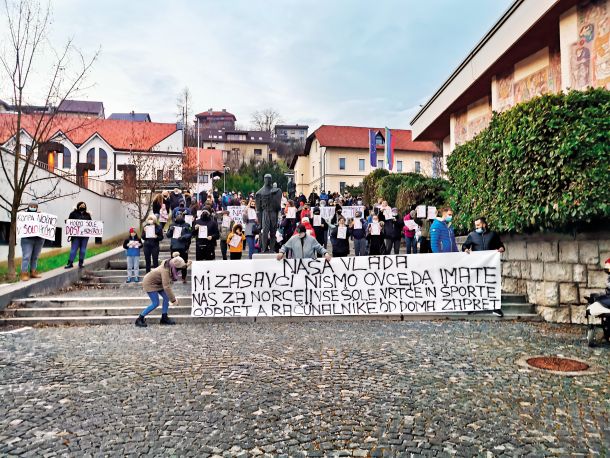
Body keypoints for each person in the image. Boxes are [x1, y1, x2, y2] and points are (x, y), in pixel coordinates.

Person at [135, 252, 190, 327]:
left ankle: (164, 318)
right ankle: (140, 318)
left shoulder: (170, 264)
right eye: (178, 269)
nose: (179, 270)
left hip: (158, 283)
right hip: (149, 283)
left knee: (166, 297)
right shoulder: (165, 270)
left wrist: (187, 265)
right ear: (175, 267)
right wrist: (173, 300)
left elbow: (180, 265)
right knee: (155, 303)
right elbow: (166, 286)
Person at [19, 197, 45, 281]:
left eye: (35, 206)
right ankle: (24, 273)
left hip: (38, 239)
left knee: (35, 257)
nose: (33, 207)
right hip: (27, 240)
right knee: (26, 256)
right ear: (29, 206)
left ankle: (33, 272)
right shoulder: (24, 216)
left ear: (37, 207)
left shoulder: (40, 215)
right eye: (32, 206)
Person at [166, 213, 192, 283]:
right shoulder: (172, 224)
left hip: (183, 247)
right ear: (175, 217)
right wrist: (170, 230)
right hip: (174, 247)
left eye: (180, 215)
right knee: (173, 263)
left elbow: (190, 234)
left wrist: (184, 237)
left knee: (184, 262)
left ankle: (184, 277)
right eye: (178, 215)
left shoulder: (187, 225)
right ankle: (173, 276)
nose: (179, 216)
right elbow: (168, 235)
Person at [65, 201, 92, 269]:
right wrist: (67, 221)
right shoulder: (73, 213)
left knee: (83, 250)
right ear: (78, 206)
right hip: (76, 236)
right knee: (73, 249)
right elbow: (69, 222)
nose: (82, 207)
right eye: (81, 205)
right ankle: (70, 263)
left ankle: (81, 263)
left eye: (84, 205)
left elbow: (91, 225)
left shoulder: (87, 215)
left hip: (85, 237)